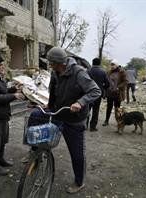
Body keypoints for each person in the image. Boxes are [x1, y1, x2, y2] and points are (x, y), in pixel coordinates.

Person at [20, 46, 101, 194]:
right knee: (35, 116)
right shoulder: (55, 73)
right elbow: (54, 91)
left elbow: (96, 91)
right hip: (57, 112)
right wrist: (49, 105)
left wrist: (80, 102)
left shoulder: (79, 73)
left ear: (57, 62)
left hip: (74, 120)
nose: (48, 64)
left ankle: (79, 181)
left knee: (77, 154)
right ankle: (34, 151)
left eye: (50, 61)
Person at [86, 58, 110, 132]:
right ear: (99, 64)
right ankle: (93, 127)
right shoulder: (103, 72)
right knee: (96, 110)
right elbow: (108, 83)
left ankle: (85, 125)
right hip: (97, 93)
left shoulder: (87, 71)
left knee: (87, 109)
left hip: (88, 93)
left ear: (92, 63)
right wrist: (102, 88)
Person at [102, 59, 128, 126]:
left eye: (113, 65)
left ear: (116, 65)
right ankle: (106, 121)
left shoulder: (122, 72)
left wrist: (119, 87)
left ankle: (118, 121)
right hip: (109, 93)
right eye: (111, 65)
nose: (112, 66)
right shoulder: (109, 72)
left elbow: (125, 81)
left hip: (117, 93)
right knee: (109, 107)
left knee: (117, 108)